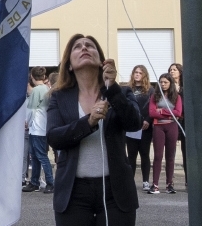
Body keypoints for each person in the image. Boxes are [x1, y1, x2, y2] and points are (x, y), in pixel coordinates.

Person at [46, 34, 143, 225]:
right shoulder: (59, 97)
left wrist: (112, 88)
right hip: (73, 193)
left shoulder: (120, 92)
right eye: (77, 47)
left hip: (116, 192)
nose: (84, 48)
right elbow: (54, 137)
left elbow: (134, 123)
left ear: (101, 61)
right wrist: (88, 122)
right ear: (69, 65)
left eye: (90, 46)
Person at [148, 73, 182, 194]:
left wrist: (161, 110)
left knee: (170, 156)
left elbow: (178, 113)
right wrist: (169, 112)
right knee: (158, 156)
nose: (163, 84)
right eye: (161, 82)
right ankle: (155, 184)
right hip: (158, 127)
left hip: (172, 126)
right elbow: (152, 113)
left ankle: (169, 184)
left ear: (170, 83)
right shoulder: (154, 96)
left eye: (165, 82)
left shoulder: (177, 96)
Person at [123, 66, 154, 192]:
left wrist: (148, 120)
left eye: (140, 73)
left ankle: (146, 181)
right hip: (132, 126)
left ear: (144, 75)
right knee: (131, 155)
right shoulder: (127, 89)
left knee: (144, 154)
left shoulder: (151, 90)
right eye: (135, 72)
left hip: (145, 126)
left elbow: (153, 107)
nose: (137, 74)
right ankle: (130, 181)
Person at [23, 67, 54, 193]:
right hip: (43, 127)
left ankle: (50, 182)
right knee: (36, 156)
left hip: (37, 128)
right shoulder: (47, 89)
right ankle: (34, 181)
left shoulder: (36, 91)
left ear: (32, 77)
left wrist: (27, 123)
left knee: (40, 156)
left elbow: (31, 110)